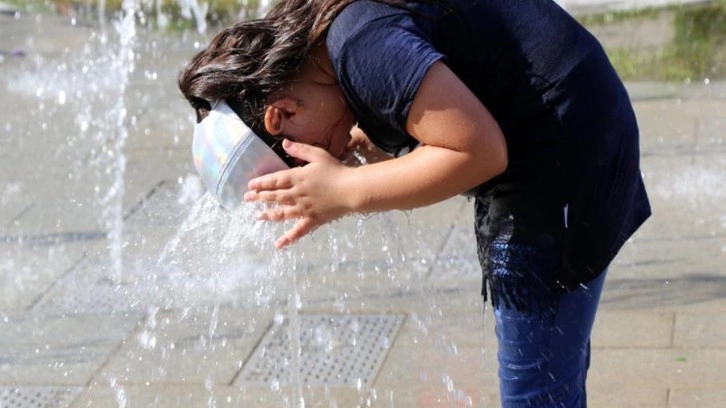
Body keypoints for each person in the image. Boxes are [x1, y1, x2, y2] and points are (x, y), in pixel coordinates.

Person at [178, 0, 651, 406]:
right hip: (572, 117)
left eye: (304, 165)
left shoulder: (359, 46)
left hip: (564, 147)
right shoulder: (327, 35)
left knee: (535, 388)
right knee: (552, 362)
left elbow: (480, 151)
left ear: (282, 114)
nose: (327, 162)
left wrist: (344, 191)